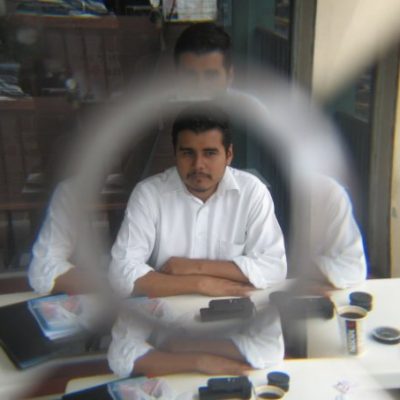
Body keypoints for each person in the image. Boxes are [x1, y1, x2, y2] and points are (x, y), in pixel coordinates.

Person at [109, 103, 287, 298]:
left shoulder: (252, 191)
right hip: (168, 309)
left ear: (228, 155)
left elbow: (273, 266)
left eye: (210, 153)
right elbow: (120, 273)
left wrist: (195, 267)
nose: (198, 165)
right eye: (188, 153)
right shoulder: (149, 194)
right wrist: (200, 284)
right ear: (175, 153)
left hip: (234, 305)